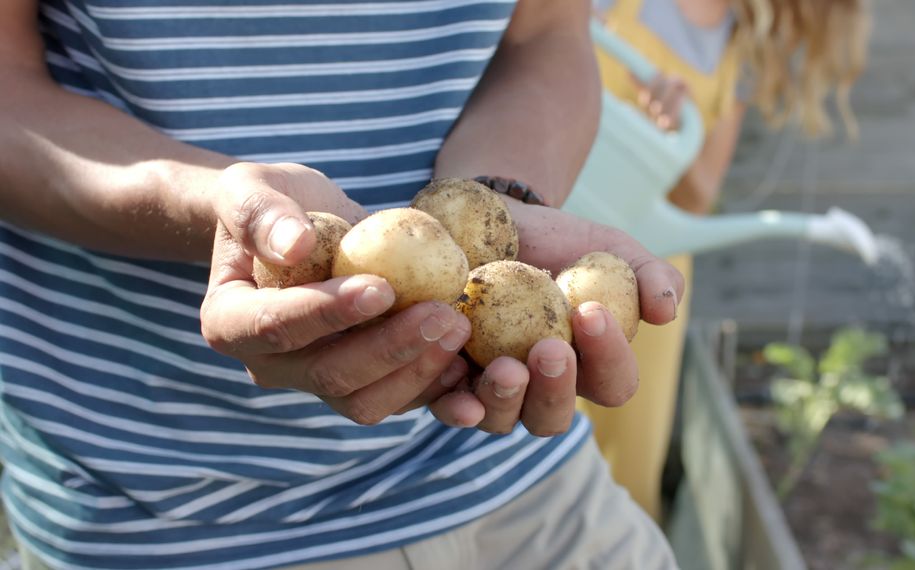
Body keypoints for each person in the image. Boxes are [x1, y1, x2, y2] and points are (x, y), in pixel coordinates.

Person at [0, 1, 686, 568]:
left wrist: (496, 198)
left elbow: (546, 36)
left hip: (510, 476)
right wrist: (218, 207)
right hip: (168, 512)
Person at [582, 0, 869, 522]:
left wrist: (667, 136)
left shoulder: (740, 47)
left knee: (624, 463)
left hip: (648, 278)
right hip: (554, 235)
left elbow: (699, 195)